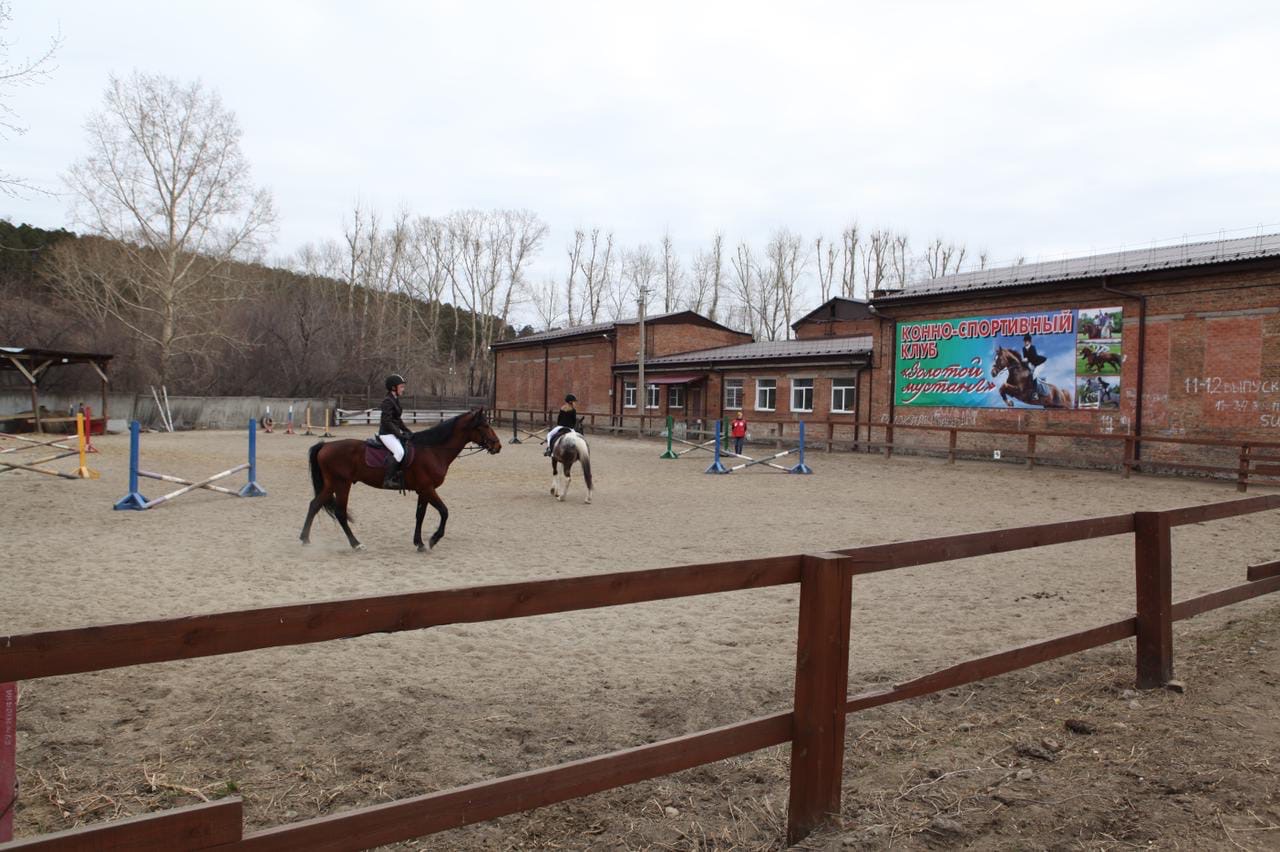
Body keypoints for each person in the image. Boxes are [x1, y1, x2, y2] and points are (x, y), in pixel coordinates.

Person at [378, 373, 412, 488]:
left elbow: (398, 420)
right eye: (401, 386)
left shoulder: (395, 399)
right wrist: (399, 434)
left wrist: (408, 431)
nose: (403, 389)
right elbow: (387, 422)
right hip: (386, 434)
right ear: (393, 388)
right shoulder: (388, 401)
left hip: (393, 433)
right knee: (399, 452)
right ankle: (388, 480)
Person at [1020, 334, 1049, 401]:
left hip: (1040, 363)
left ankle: (1035, 394)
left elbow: (1034, 358)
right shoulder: (1023, 348)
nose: (1025, 342)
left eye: (1026, 341)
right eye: (1024, 341)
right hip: (1032, 364)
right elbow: (1025, 358)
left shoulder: (1033, 347)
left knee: (1034, 375)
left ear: (1029, 341)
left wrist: (1026, 360)